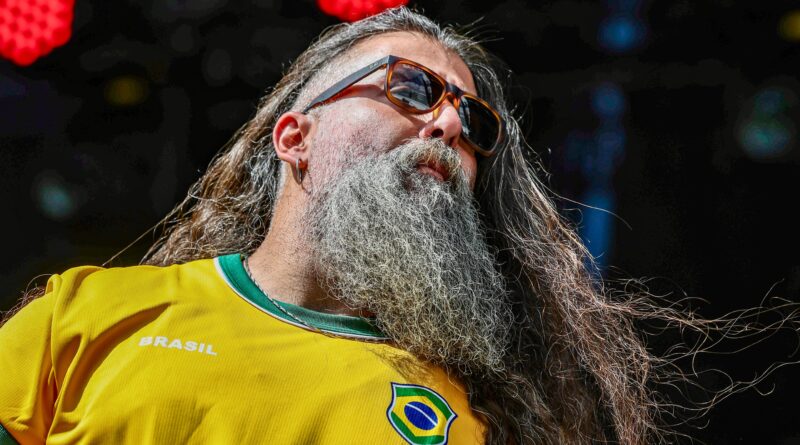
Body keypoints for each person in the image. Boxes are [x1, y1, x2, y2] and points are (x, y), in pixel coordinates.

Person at [0, 7, 707, 445]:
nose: (450, 124)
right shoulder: (85, 312)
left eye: (475, 123)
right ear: (295, 137)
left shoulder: (470, 417)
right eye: (413, 87)